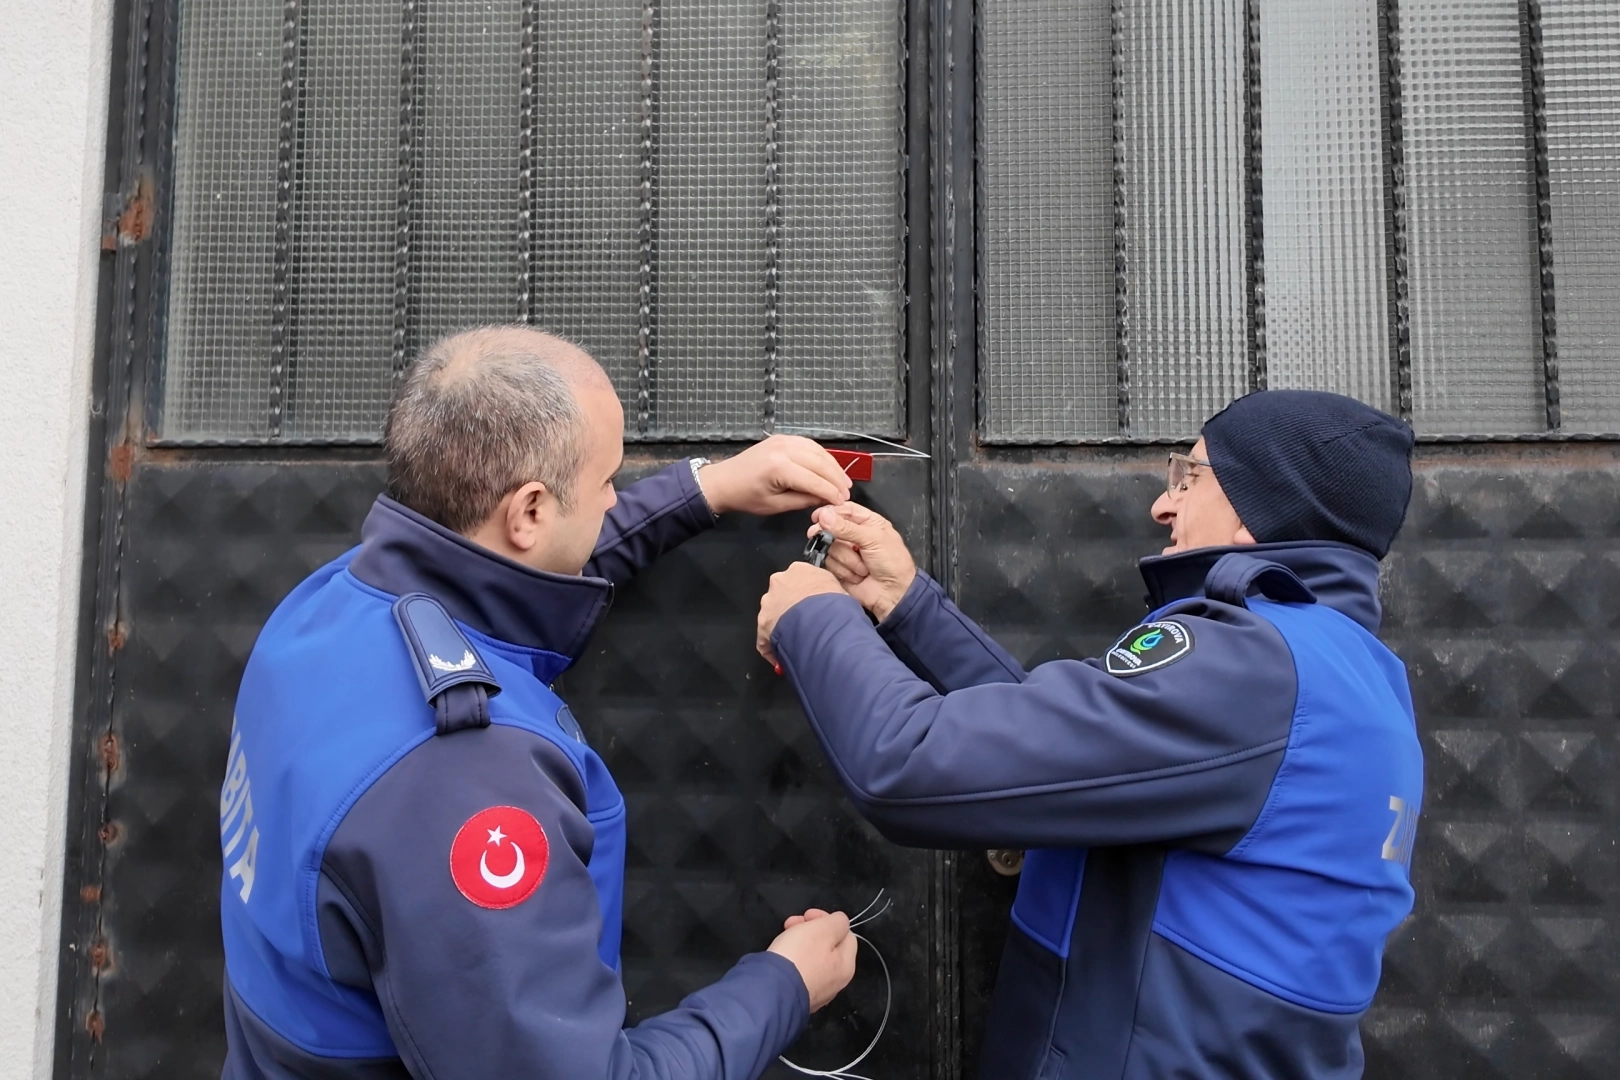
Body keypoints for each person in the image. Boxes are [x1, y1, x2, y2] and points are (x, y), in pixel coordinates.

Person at [219, 325, 861, 1080]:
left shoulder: (328, 604)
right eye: (607, 481)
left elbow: (512, 569)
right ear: (528, 510)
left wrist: (705, 490)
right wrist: (784, 985)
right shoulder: (468, 779)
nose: (613, 498)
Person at [756, 389, 1424, 1080]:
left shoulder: (1250, 666)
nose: (1163, 505)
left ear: (1258, 511)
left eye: (1189, 478)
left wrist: (812, 616)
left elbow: (910, 764)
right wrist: (905, 605)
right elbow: (1075, 760)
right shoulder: (1352, 677)